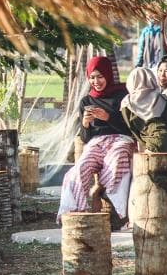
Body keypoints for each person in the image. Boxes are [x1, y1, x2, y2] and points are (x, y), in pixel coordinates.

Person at [57, 56, 136, 229]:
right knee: (79, 168)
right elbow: (86, 137)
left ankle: (120, 212)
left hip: (121, 139)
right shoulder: (86, 100)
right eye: (92, 77)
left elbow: (130, 127)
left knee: (117, 159)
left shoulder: (122, 95)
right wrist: (85, 123)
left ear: (108, 74)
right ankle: (74, 214)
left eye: (100, 76)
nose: (96, 81)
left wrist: (107, 117)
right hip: (97, 142)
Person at [120, 67, 167, 153]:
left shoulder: (127, 103)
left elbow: (134, 130)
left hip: (157, 143)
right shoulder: (164, 98)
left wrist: (146, 148)